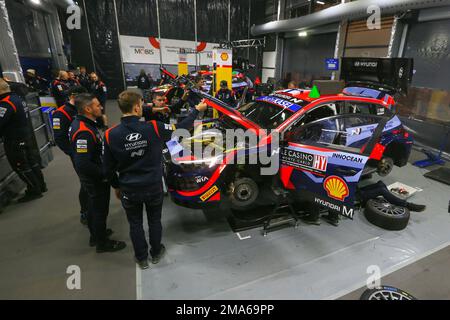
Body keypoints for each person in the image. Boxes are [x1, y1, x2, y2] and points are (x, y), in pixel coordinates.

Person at [102, 90, 208, 269]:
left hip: (129, 188)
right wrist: (197, 110)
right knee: (154, 220)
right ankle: (156, 252)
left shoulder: (110, 135)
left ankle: (141, 258)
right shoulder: (154, 127)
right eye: (142, 104)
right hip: (153, 186)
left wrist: (116, 186)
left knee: (134, 223)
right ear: (136, 107)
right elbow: (181, 128)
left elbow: (108, 169)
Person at [69, 93, 126, 252]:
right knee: (100, 210)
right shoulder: (83, 131)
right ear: (87, 109)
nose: (100, 107)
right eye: (96, 105)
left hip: (94, 176)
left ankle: (96, 234)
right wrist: (104, 175)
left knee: (95, 208)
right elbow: (83, 163)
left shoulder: (86, 124)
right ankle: (102, 243)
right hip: (95, 178)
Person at [0, 79, 46, 202]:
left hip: (15, 139)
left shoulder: (6, 103)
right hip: (26, 136)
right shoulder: (17, 97)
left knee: (21, 166)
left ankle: (34, 190)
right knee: (32, 163)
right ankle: (41, 186)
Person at [52, 85, 89, 225]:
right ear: (74, 96)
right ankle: (85, 212)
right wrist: (73, 153)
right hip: (78, 154)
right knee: (86, 183)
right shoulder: (61, 113)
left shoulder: (81, 109)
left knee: (91, 183)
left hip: (89, 151)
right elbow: (60, 138)